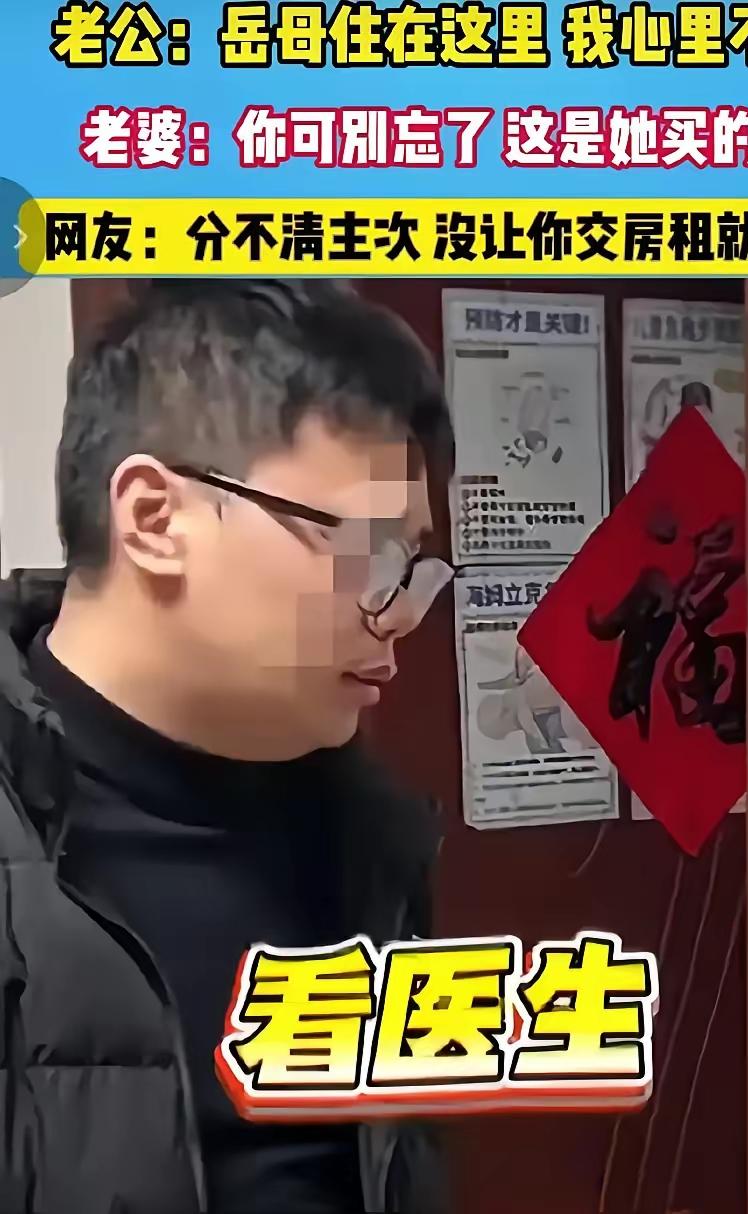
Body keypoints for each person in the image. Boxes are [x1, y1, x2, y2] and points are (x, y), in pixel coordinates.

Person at [0, 279, 456, 1214]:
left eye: (408, 564)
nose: (398, 611)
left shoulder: (372, 844)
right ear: (155, 520)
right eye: (364, 549)